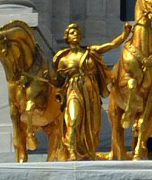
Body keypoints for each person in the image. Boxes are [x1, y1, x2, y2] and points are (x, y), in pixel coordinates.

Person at [51, 22, 130, 160]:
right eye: (72, 32)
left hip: (91, 91)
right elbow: (58, 81)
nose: (75, 34)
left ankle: (88, 153)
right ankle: (71, 151)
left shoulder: (90, 52)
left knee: (93, 126)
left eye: (77, 32)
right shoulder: (63, 59)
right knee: (74, 119)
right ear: (67, 37)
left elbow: (111, 45)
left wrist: (125, 35)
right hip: (74, 89)